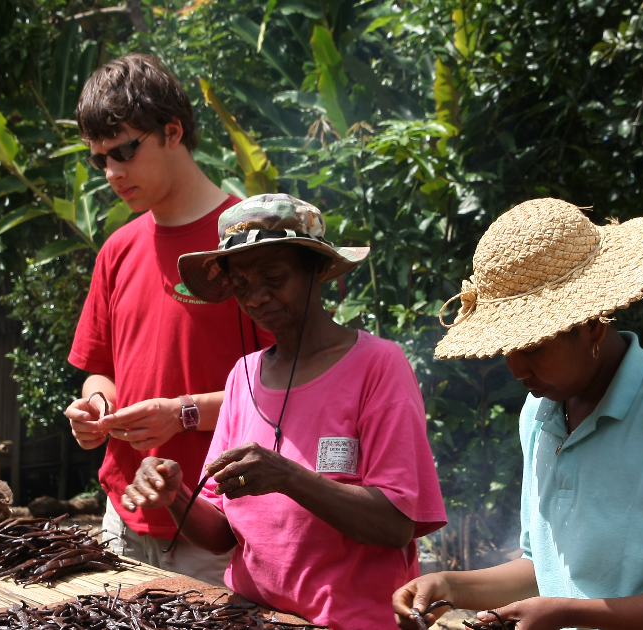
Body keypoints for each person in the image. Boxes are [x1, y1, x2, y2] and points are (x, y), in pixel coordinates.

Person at [394, 198, 643, 630]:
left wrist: (568, 613)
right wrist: (449, 585)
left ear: (592, 324)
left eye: (532, 346)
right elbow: (546, 567)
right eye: (505, 348)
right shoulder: (539, 413)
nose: (515, 368)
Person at [122, 194, 447, 630]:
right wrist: (174, 495)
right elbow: (220, 533)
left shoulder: (378, 365)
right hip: (253, 617)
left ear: (317, 268)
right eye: (241, 284)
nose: (257, 297)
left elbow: (395, 525)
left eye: (274, 277)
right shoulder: (244, 376)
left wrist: (289, 477)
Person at [65, 53, 272, 584]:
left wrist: (182, 414)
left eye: (124, 151)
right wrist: (96, 407)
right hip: (122, 518)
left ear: (173, 132)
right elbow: (100, 369)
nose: (112, 172)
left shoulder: (252, 244)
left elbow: (295, 390)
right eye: (100, 159)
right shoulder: (117, 250)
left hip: (221, 527)